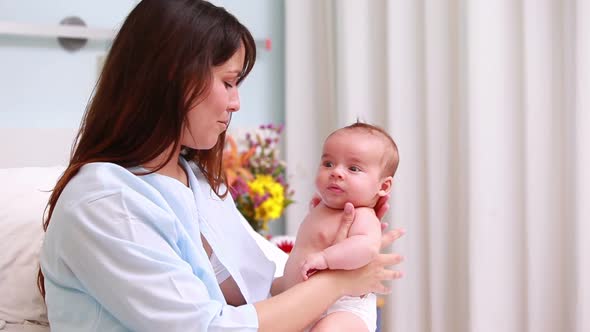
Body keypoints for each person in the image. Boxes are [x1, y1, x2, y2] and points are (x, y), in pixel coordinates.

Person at [37, 1, 405, 331]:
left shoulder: (192, 179)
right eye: (229, 82)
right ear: (175, 79)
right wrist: (339, 282)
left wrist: (330, 246)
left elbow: (252, 293)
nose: (236, 103)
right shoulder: (105, 202)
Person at [276, 123, 400, 332]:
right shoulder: (322, 207)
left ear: (383, 186)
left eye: (353, 168)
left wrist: (325, 258)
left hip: (343, 308)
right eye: (328, 163)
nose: (336, 173)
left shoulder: (362, 215)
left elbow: (366, 247)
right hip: (301, 301)